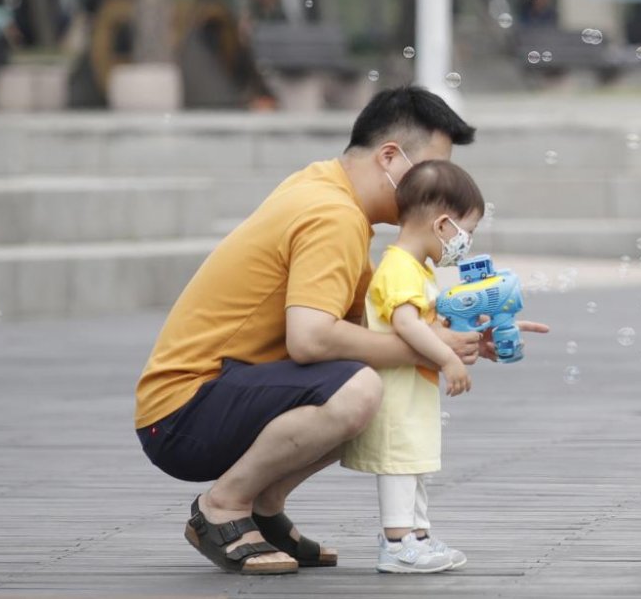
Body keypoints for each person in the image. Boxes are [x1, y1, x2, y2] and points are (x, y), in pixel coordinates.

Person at [134, 86, 549, 575]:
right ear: (390, 158)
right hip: (184, 414)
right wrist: (427, 353)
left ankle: (265, 504)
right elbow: (309, 339)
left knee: (373, 379)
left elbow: (373, 324)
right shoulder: (333, 216)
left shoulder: (323, 189)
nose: (439, 190)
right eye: (431, 174)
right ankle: (223, 505)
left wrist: (457, 334)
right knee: (360, 388)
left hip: (202, 400)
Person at [341, 159, 483, 575]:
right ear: (443, 226)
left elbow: (425, 323)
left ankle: (419, 535)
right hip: (395, 393)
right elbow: (405, 324)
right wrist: (447, 358)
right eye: (466, 232)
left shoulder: (416, 267)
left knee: (414, 465)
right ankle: (396, 541)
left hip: (411, 390)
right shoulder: (400, 266)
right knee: (400, 468)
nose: (466, 243)